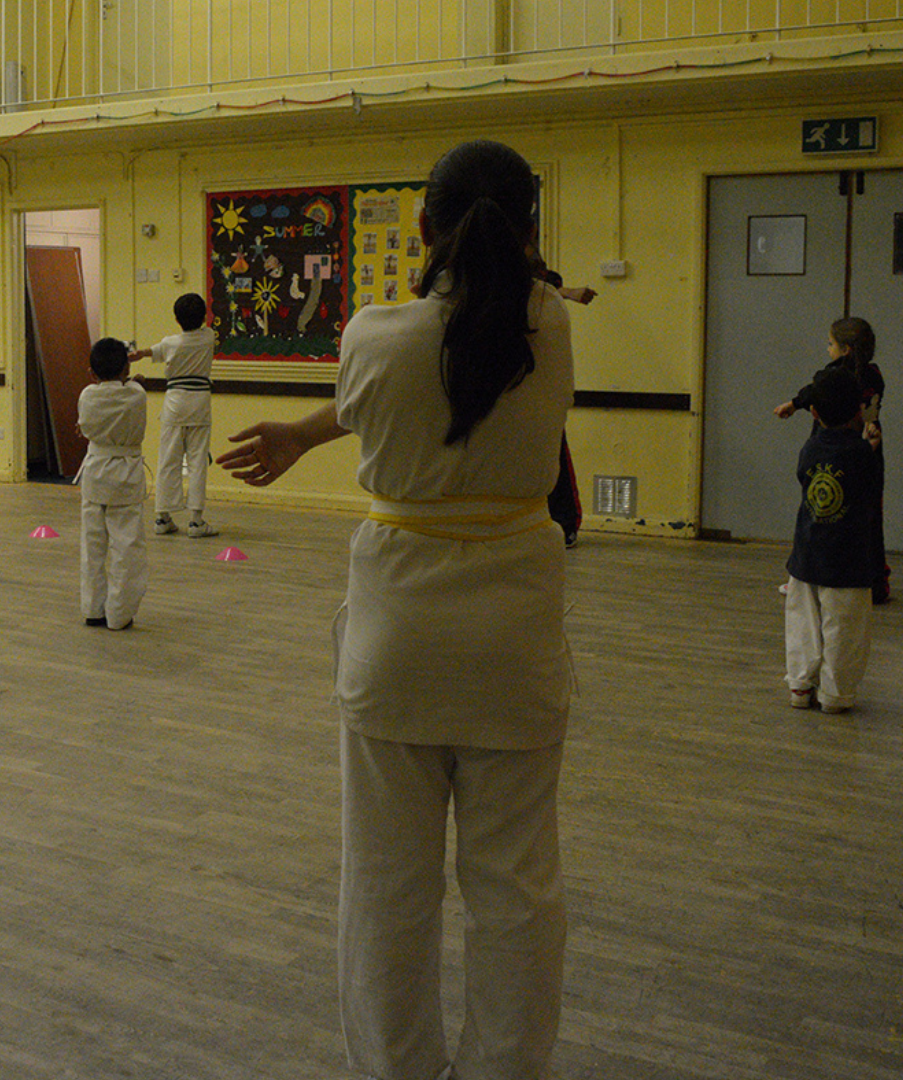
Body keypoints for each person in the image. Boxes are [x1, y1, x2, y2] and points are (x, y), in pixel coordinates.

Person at [218, 139, 573, 1080]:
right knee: (518, 893)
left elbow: (387, 384)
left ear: (422, 227)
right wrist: (305, 430)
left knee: (387, 889)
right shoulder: (551, 324)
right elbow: (463, 349)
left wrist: (303, 428)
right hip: (516, 643)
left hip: (400, 638)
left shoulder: (375, 333)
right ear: (533, 234)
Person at [782, 366, 881, 714]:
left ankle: (799, 685)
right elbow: (870, 493)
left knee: (802, 626)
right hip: (849, 560)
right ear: (858, 411)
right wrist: (871, 448)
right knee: (844, 629)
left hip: (807, 554)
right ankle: (835, 695)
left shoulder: (810, 449)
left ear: (814, 413)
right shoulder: (860, 454)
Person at [774, 316, 889, 602]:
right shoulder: (875, 376)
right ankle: (875, 582)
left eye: (830, 344)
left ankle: (805, 576)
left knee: (819, 514)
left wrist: (793, 403)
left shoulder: (836, 377)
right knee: (867, 517)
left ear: (846, 349)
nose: (828, 349)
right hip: (868, 451)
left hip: (835, 452)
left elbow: (816, 391)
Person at [131, 292, 220, 538]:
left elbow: (157, 350)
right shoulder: (208, 337)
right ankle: (196, 521)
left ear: (176, 319)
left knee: (168, 459)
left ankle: (162, 517)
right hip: (199, 404)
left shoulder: (171, 342)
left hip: (174, 403)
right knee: (197, 461)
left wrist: (140, 354)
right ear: (203, 317)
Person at [76, 337, 150, 630]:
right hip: (125, 476)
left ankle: (93, 608)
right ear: (126, 368)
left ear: (92, 374)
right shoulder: (136, 394)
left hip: (95, 474)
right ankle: (119, 613)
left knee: (92, 545)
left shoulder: (86, 396)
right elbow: (133, 385)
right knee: (126, 547)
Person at [530, 259, 595, 549]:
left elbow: (546, 276)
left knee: (553, 450)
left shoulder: (541, 291)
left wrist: (564, 291)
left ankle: (565, 523)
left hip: (538, 386)